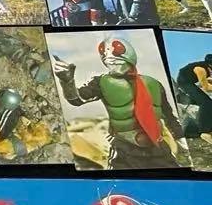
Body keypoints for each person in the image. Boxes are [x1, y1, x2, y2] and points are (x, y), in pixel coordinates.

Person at [54, 36, 184, 169]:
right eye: (104, 53)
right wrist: (67, 82)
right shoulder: (101, 82)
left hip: (158, 148)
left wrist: (181, 138)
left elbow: (168, 115)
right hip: (124, 150)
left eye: (116, 50)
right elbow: (77, 99)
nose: (109, 57)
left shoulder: (154, 84)